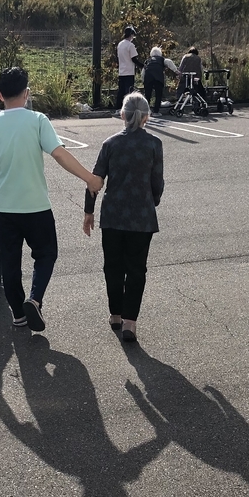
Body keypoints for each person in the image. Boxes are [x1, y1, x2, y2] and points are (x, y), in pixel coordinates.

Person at [0, 66, 102, 332]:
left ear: (0, 96)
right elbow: (59, 154)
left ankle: (18, 315)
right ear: (27, 93)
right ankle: (34, 300)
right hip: (36, 207)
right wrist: (89, 178)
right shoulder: (37, 120)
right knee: (46, 254)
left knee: (10, 262)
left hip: (4, 209)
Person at [82, 91, 163, 344]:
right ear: (146, 117)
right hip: (142, 216)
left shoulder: (111, 144)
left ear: (122, 115)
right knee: (137, 269)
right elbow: (157, 182)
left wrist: (88, 211)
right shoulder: (154, 144)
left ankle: (115, 314)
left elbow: (95, 180)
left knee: (113, 266)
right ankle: (130, 322)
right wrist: (152, 201)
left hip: (113, 215)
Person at [141, 46, 179, 115]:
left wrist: (143, 80)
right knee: (158, 95)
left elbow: (143, 71)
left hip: (148, 78)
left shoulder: (147, 61)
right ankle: (156, 112)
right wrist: (176, 71)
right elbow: (169, 62)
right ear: (160, 53)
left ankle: (146, 111)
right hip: (158, 78)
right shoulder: (162, 59)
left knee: (147, 95)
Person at [176, 45, 209, 112]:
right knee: (196, 91)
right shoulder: (198, 58)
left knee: (181, 90)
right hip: (195, 77)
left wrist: (179, 75)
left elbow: (181, 67)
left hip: (185, 76)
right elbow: (200, 68)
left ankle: (178, 104)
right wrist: (199, 77)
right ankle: (197, 105)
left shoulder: (185, 56)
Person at [116, 25, 139, 112]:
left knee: (121, 91)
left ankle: (118, 108)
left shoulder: (120, 44)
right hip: (129, 71)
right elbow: (134, 59)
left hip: (121, 71)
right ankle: (128, 108)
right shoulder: (130, 45)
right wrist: (142, 65)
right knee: (129, 91)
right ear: (131, 34)